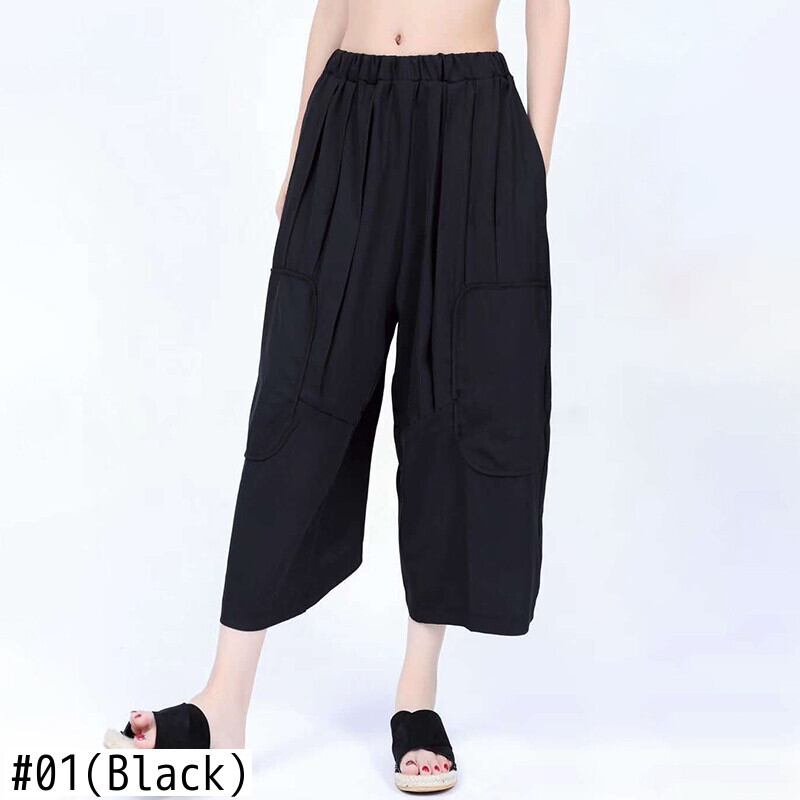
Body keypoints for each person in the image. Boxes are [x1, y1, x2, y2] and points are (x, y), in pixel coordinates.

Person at [105, 0, 569, 792]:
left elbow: (549, 9)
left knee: (455, 401)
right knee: (296, 396)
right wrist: (300, 147)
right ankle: (224, 700)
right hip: (349, 112)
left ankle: (416, 695)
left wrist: (532, 168)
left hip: (474, 122)